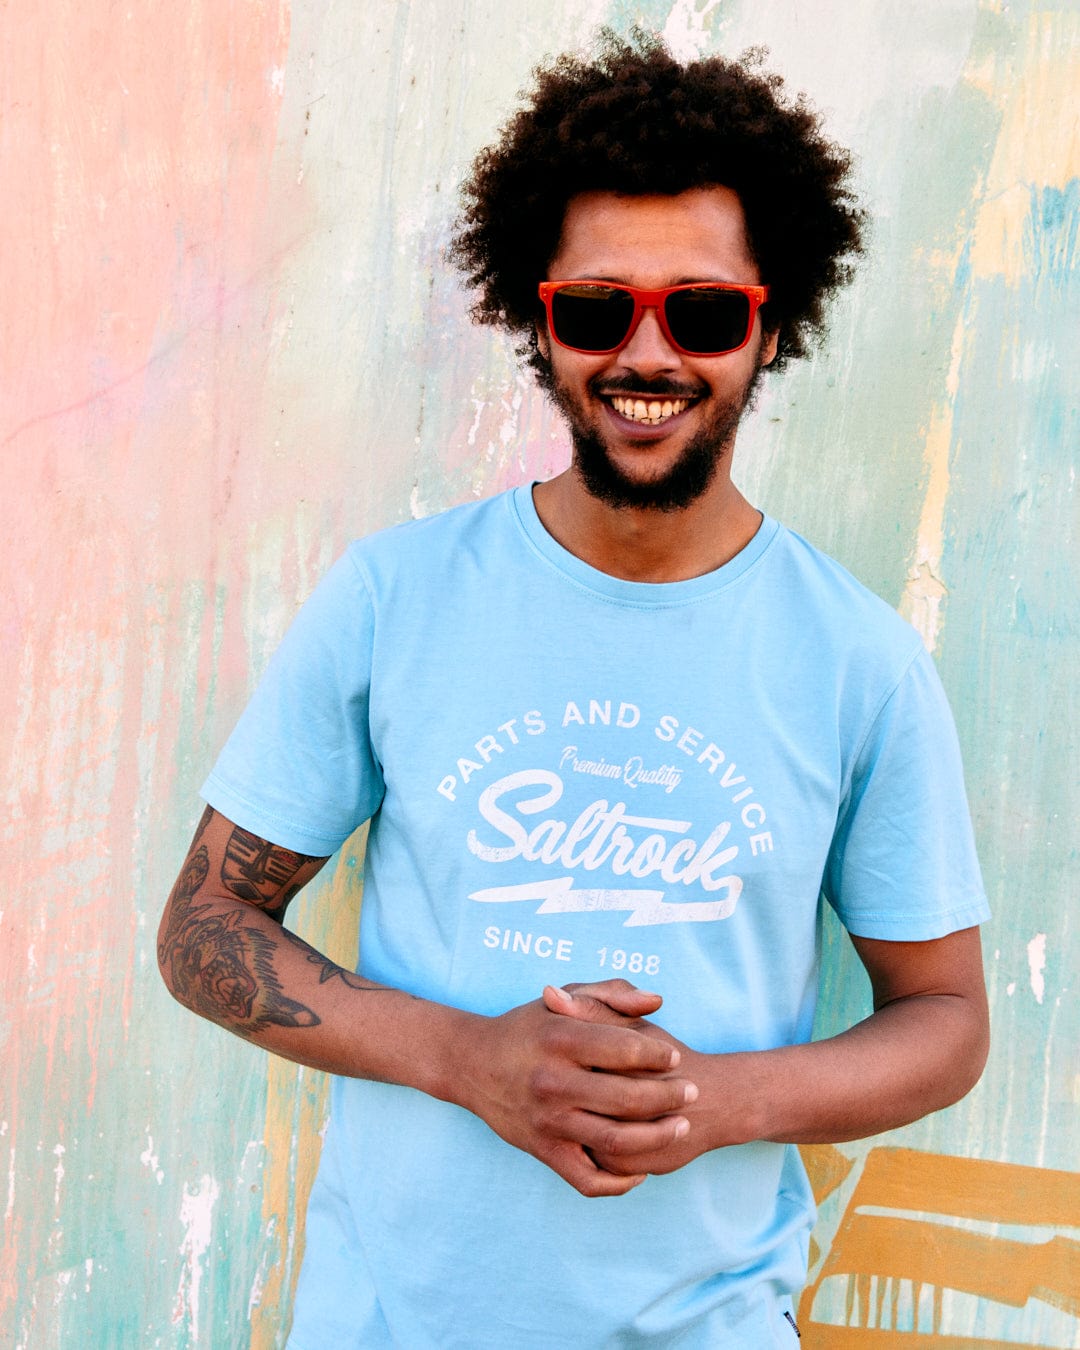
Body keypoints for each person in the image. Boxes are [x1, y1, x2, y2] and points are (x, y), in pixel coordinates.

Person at [158, 32, 990, 1348]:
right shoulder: (394, 599)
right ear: (538, 319)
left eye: (703, 312)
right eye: (599, 310)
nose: (647, 354)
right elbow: (204, 925)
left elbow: (945, 1019)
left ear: (769, 324)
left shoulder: (859, 659)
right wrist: (467, 1060)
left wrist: (702, 1099)